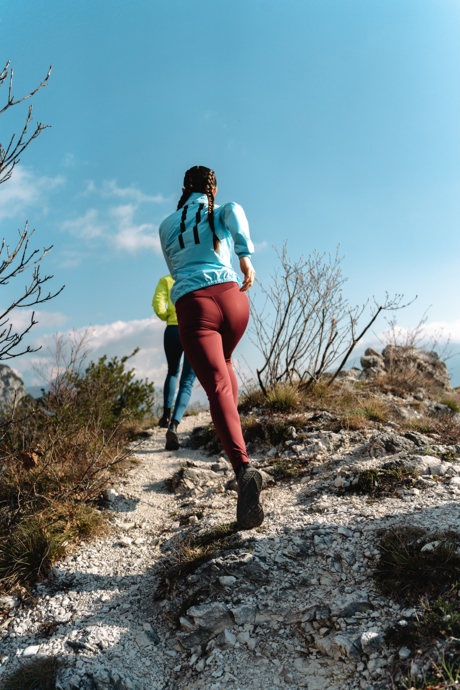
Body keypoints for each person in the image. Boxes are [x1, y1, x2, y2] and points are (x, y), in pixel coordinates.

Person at [159, 165, 263, 530]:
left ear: (184, 188)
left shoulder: (167, 225)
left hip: (195, 304)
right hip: (234, 300)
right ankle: (236, 436)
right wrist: (245, 256)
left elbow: (176, 266)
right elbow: (234, 210)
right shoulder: (216, 213)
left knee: (216, 383)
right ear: (210, 188)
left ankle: (243, 469)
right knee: (228, 365)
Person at [152, 274, 197, 451]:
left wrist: (169, 315)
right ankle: (174, 425)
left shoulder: (166, 280)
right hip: (194, 330)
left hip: (172, 329)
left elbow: (158, 306)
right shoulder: (197, 277)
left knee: (172, 372)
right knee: (187, 380)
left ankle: (165, 415)